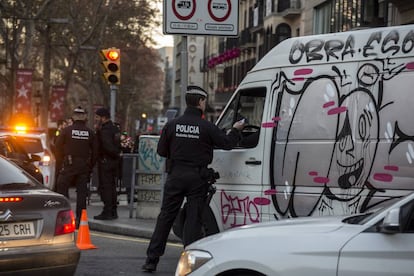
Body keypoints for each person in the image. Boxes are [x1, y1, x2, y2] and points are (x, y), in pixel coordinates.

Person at [141, 85, 245, 272]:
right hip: (197, 177)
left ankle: (151, 260)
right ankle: (190, 263)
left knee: (165, 217)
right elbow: (227, 143)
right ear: (200, 102)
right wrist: (236, 129)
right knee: (193, 219)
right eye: (204, 101)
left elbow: (161, 151)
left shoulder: (172, 125)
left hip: (175, 176)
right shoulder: (206, 127)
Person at [55, 107, 98, 227]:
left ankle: (63, 217)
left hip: (69, 163)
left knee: (62, 189)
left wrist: (61, 161)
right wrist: (90, 166)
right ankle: (80, 218)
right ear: (85, 117)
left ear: (73, 117)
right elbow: (95, 152)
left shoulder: (67, 131)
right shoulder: (90, 132)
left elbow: (57, 147)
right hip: (84, 165)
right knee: (82, 194)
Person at [94, 107, 121, 220]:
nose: (96, 119)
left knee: (106, 187)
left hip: (106, 161)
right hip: (114, 162)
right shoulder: (115, 128)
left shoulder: (104, 131)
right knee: (112, 187)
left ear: (103, 117)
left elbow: (107, 146)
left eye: (97, 117)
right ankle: (113, 211)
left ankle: (107, 211)